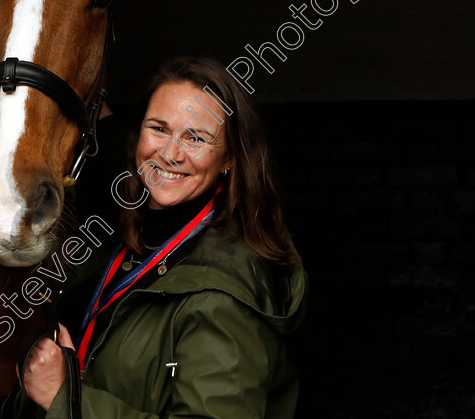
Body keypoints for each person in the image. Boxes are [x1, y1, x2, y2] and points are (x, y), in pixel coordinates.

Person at [19, 56, 307, 419]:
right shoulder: (132, 223)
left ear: (229, 157)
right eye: (158, 128)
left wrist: (62, 397)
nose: (170, 154)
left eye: (196, 138)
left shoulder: (222, 299)